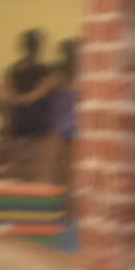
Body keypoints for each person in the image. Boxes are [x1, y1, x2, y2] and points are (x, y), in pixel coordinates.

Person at [0, 29, 54, 182]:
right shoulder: (44, 70)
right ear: (37, 48)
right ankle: (28, 180)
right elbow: (39, 94)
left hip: (22, 117)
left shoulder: (14, 69)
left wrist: (14, 106)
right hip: (37, 118)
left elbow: (9, 96)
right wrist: (23, 100)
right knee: (35, 158)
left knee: (19, 156)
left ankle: (19, 180)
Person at [43, 39, 79, 187]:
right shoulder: (57, 77)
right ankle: (56, 188)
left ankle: (63, 188)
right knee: (56, 163)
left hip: (68, 126)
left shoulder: (60, 78)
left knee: (65, 164)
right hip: (60, 126)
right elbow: (38, 95)